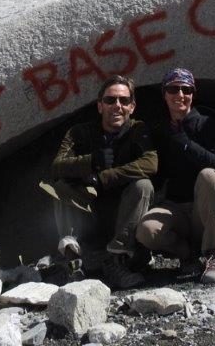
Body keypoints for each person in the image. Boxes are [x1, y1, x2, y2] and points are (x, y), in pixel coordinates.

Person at [47, 75, 157, 289]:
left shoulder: (138, 130)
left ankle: (118, 261)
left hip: (123, 215)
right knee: (59, 187)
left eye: (124, 101)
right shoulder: (79, 133)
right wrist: (91, 161)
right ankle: (74, 262)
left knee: (143, 186)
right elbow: (57, 166)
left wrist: (105, 177)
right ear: (99, 106)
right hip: (89, 212)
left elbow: (150, 164)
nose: (117, 106)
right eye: (110, 100)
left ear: (132, 107)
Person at [136, 68, 215, 284]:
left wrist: (183, 142)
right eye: (173, 89)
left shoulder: (207, 123)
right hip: (175, 208)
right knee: (146, 231)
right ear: (164, 94)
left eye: (186, 89)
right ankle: (187, 253)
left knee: (209, 175)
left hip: (206, 208)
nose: (180, 94)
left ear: (193, 94)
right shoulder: (159, 129)